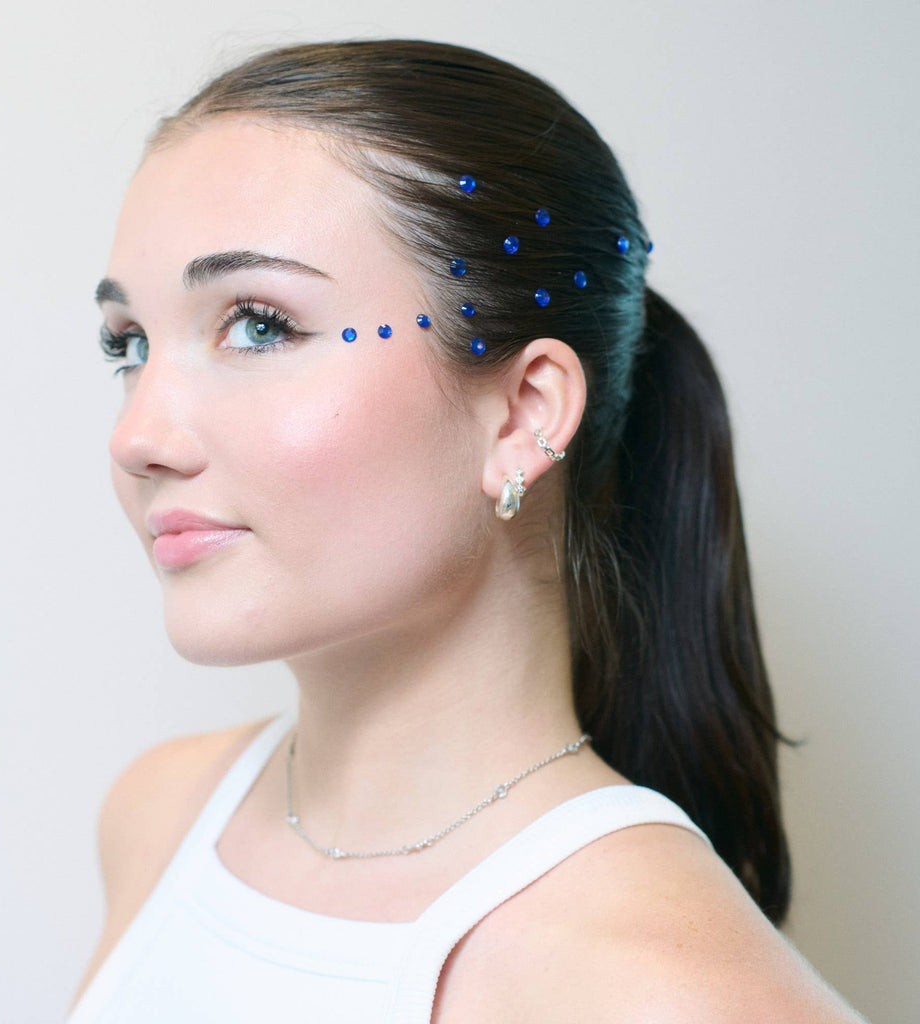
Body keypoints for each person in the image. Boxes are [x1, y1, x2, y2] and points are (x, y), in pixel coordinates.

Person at [67, 39, 866, 1023]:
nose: (138, 438)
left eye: (260, 324)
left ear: (525, 415)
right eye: (129, 346)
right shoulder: (159, 818)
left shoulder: (672, 993)